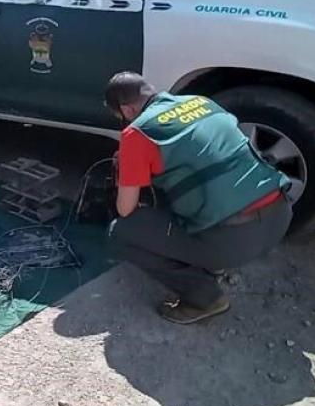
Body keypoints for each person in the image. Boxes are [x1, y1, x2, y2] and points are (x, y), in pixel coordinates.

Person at [104, 71, 292, 324]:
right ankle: (213, 264)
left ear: (126, 110)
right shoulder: (201, 102)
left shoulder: (137, 134)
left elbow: (125, 209)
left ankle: (205, 298)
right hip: (280, 218)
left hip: (233, 241)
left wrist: (126, 169)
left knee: (122, 232)